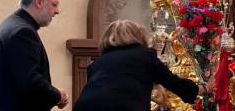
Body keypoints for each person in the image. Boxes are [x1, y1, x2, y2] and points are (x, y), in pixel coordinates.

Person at [73, 19, 208, 111]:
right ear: (138, 36)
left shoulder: (97, 63)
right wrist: (201, 88)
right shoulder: (145, 56)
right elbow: (173, 82)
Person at [0, 0, 68, 111]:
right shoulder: (21, 32)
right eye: (54, 5)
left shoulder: (13, 25)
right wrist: (57, 95)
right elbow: (30, 82)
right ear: (39, 2)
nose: (57, 11)